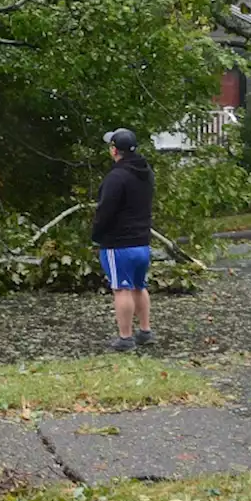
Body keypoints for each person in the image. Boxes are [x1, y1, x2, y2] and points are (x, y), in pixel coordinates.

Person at [91, 128, 156, 352]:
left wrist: (96, 234)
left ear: (114, 150)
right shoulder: (146, 173)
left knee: (121, 289)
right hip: (142, 242)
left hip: (119, 244)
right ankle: (145, 331)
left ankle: (125, 338)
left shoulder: (116, 177)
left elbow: (105, 210)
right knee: (140, 285)